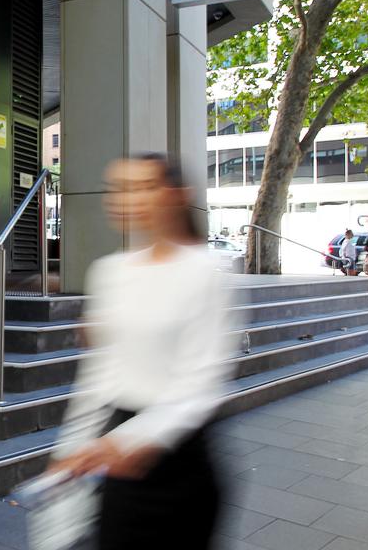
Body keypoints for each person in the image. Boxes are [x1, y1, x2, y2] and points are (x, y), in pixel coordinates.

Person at [42, 153, 230, 550]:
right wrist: (71, 449)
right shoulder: (110, 272)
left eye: (144, 186)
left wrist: (126, 442)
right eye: (120, 188)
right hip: (119, 452)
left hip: (180, 456)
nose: (129, 198)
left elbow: (201, 383)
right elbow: (99, 377)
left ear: (178, 195)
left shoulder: (204, 272)